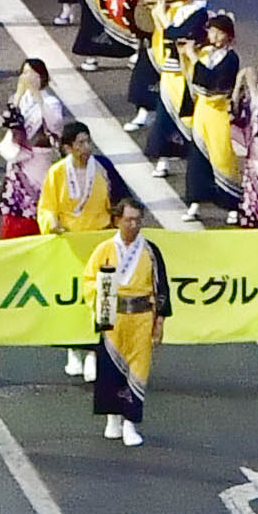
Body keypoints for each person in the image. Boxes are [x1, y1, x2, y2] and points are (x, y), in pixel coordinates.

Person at [90, 191, 168, 449]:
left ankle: (130, 423)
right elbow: (89, 281)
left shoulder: (150, 251)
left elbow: (162, 289)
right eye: (128, 220)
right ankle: (112, 419)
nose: (133, 225)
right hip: (113, 317)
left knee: (138, 370)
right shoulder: (104, 250)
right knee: (110, 370)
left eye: (137, 220)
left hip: (141, 317)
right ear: (117, 221)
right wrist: (100, 302)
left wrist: (159, 324)